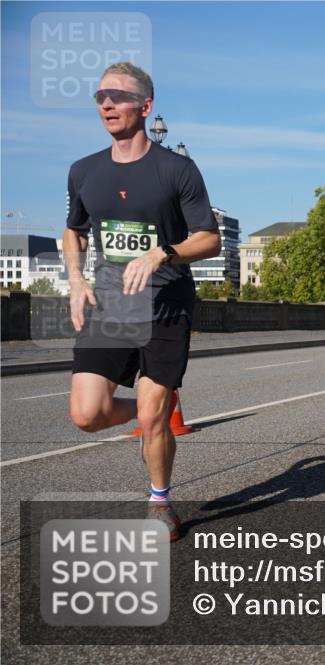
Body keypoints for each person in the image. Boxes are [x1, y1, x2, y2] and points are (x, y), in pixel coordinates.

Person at [65, 63, 221, 541]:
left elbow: (210, 239)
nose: (106, 104)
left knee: (156, 417)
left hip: (166, 307)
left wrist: (162, 253)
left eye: (117, 95)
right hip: (111, 308)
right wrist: (75, 277)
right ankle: (146, 411)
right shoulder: (84, 171)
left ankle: (160, 501)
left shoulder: (177, 169)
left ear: (146, 107)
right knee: (86, 414)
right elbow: (73, 231)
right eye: (100, 96)